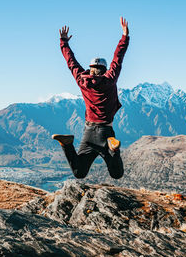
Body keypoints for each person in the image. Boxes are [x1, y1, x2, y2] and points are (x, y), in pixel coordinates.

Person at [52, 17, 130, 179]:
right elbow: (118, 58)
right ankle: (113, 149)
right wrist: (124, 36)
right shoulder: (110, 79)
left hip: (88, 132)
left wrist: (64, 42)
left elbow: (71, 62)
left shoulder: (82, 79)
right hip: (105, 132)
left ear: (90, 69)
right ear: (105, 68)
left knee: (79, 172)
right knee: (117, 173)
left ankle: (67, 145)